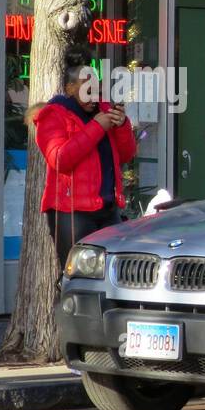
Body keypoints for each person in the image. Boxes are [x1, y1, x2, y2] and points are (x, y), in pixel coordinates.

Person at [33, 47, 136, 269]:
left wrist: (121, 126)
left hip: (107, 208)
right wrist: (98, 126)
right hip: (72, 212)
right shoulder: (53, 114)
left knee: (112, 272)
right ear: (70, 89)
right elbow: (60, 159)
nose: (94, 95)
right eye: (87, 89)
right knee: (79, 273)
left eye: (96, 89)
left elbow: (126, 155)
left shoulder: (103, 110)